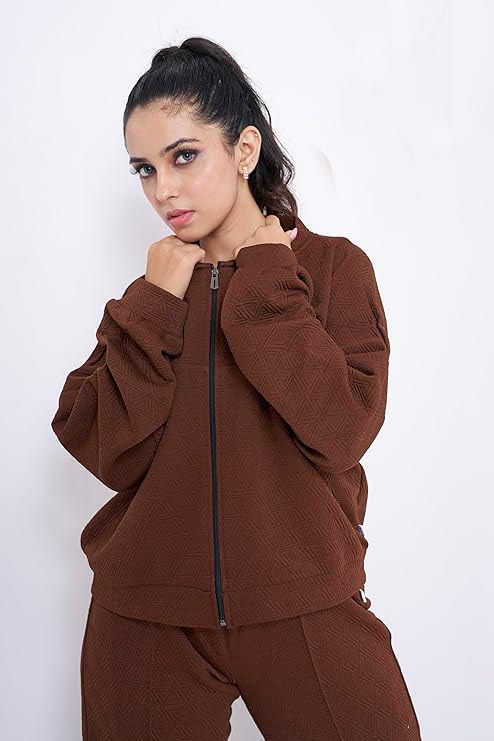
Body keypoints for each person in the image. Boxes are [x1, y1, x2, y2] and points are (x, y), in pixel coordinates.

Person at [51, 36, 422, 740]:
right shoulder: (154, 293)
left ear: (244, 149)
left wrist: (267, 282)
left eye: (183, 156)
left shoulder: (330, 270)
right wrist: (154, 302)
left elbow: (342, 429)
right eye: (144, 169)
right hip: (147, 614)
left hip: (303, 598)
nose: (162, 190)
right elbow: (101, 445)